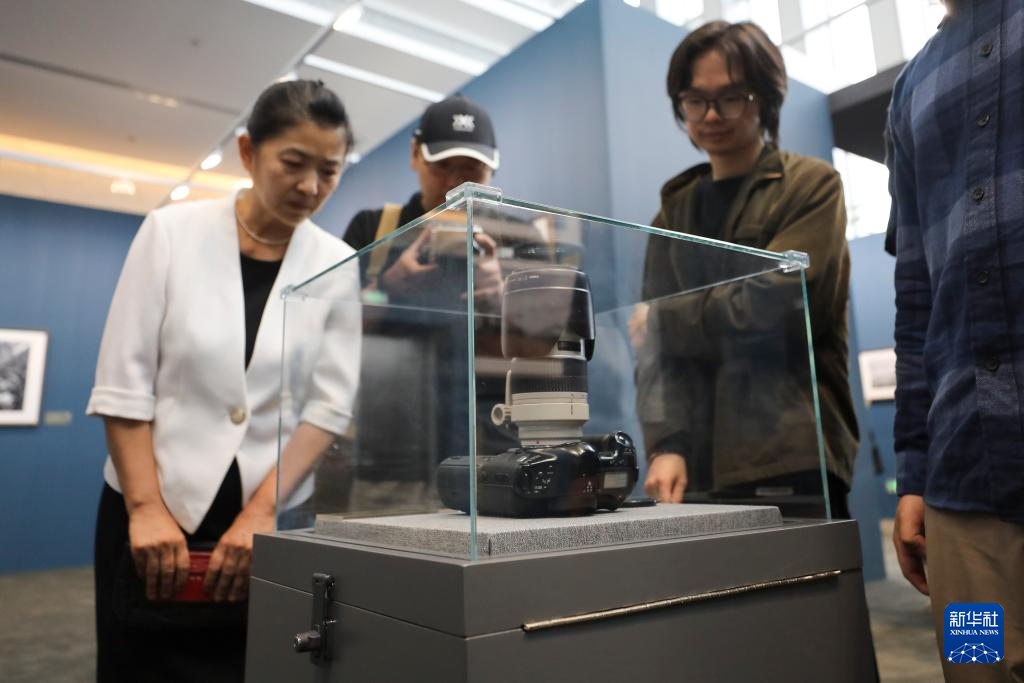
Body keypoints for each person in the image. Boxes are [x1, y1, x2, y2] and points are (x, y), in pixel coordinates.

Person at [87, 79, 361, 682]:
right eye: (293, 162)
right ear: (248, 151)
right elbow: (123, 382)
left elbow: (329, 406)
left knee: (257, 666)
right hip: (153, 504)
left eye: (329, 171)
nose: (310, 187)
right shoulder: (170, 233)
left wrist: (262, 514)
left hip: (269, 512)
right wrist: (144, 508)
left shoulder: (336, 263)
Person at [635, 20, 859, 518]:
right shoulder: (672, 213)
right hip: (693, 465)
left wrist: (664, 318)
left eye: (731, 97)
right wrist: (666, 444)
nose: (712, 115)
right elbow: (655, 358)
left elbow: (782, 305)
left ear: (765, 98)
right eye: (695, 100)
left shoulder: (810, 186)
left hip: (787, 453)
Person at [887, 1, 1023, 679]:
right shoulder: (912, 88)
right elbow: (916, 296)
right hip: (960, 489)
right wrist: (913, 474)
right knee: (977, 670)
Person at [341, 94, 512, 510]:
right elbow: (331, 329)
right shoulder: (374, 230)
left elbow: (550, 349)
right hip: (389, 460)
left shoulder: (519, 240)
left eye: (470, 169)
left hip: (496, 462)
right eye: (443, 166)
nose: (455, 183)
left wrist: (504, 298)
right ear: (415, 155)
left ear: (492, 168)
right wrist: (388, 287)